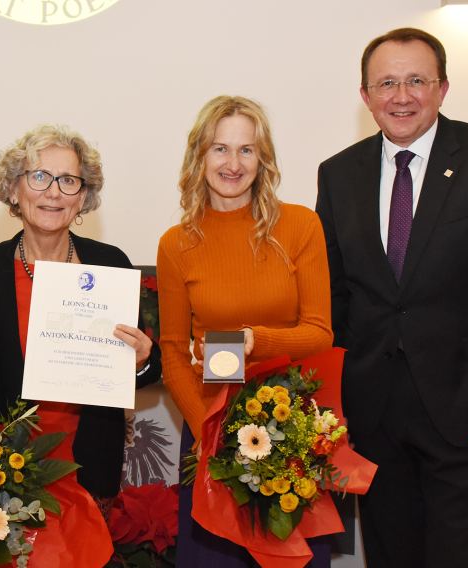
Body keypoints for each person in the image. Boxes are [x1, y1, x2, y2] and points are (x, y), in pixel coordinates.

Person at [315, 28, 468, 567]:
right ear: (365, 96)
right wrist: (332, 410)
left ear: (443, 88)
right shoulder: (338, 175)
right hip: (373, 418)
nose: (402, 96)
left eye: (417, 81)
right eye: (387, 83)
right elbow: (335, 302)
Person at [0, 124, 160, 502]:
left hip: (89, 464)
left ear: (83, 196)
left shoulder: (111, 266)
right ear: (13, 189)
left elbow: (142, 371)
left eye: (69, 180)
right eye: (39, 177)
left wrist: (141, 359)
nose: (54, 192)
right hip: (2, 473)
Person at [157, 95, 333, 566]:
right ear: (199, 156)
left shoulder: (300, 226)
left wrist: (259, 338)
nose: (233, 163)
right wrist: (207, 433)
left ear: (263, 159)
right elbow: (173, 353)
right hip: (208, 428)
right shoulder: (177, 243)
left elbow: (319, 332)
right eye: (220, 149)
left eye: (246, 150)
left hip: (292, 430)